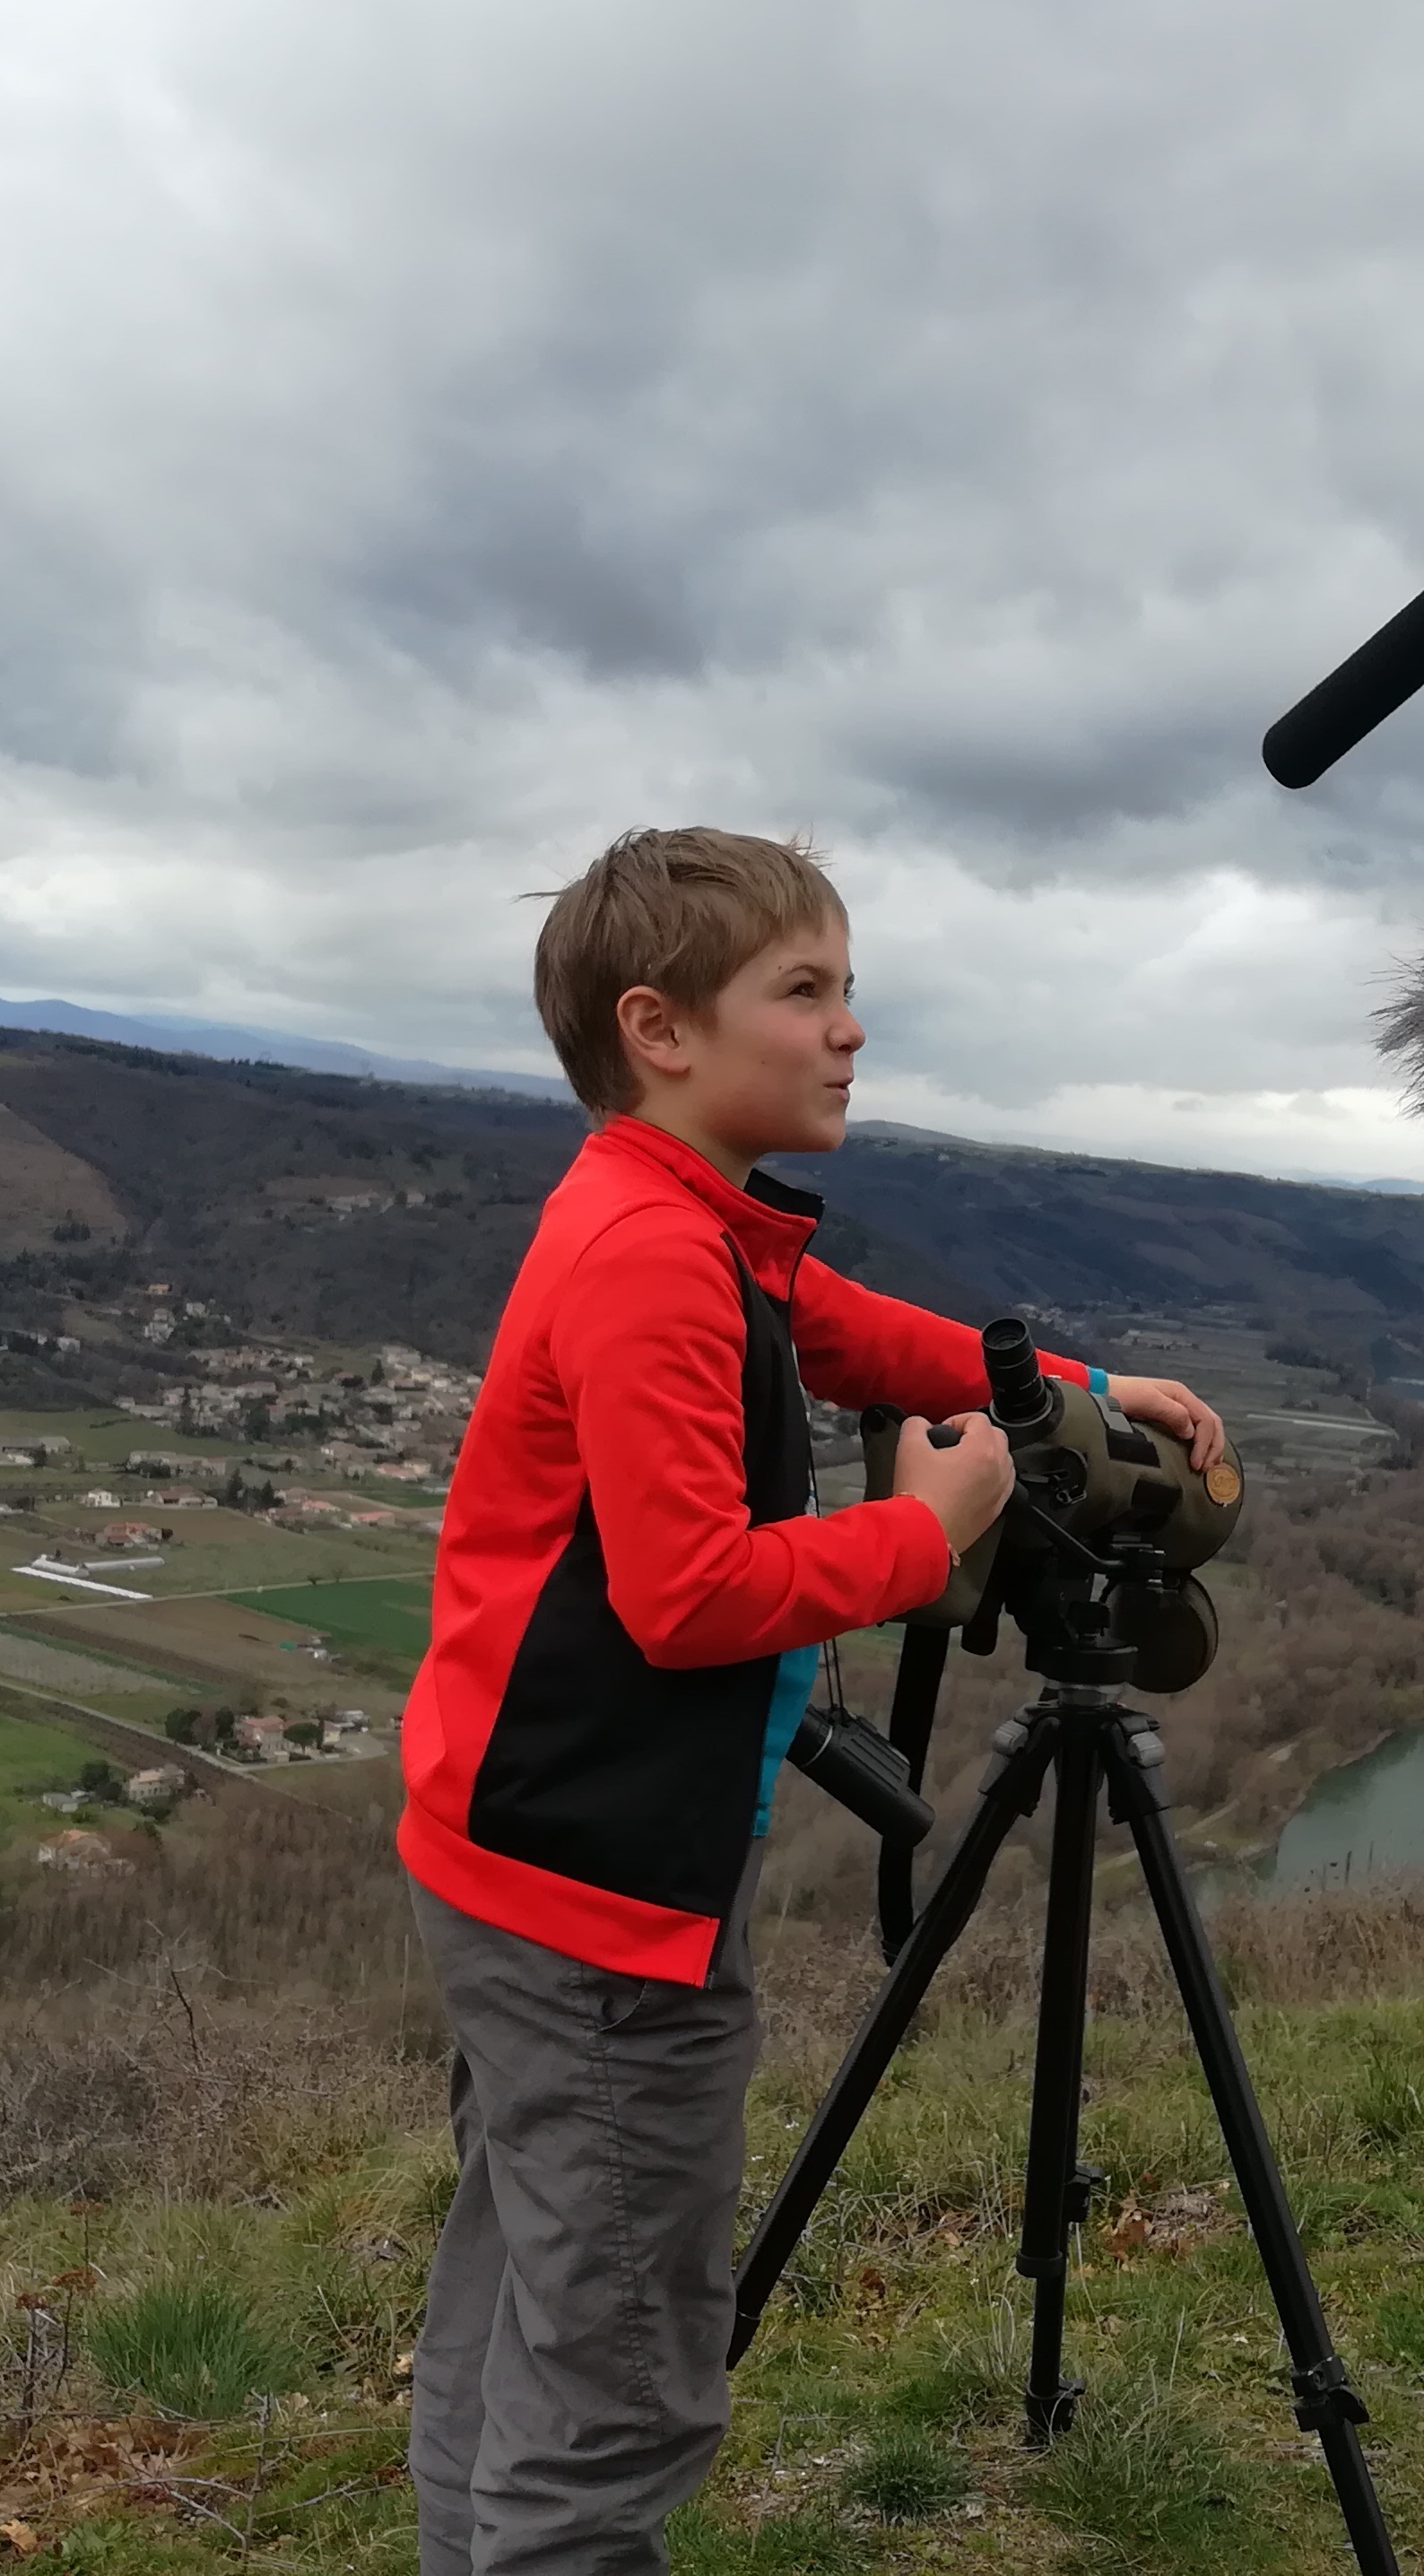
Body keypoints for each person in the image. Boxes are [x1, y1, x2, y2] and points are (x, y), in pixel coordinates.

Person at [397, 826, 1228, 2576]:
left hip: (522, 1854)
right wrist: (928, 1532)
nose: (849, 1028)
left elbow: (842, 1329)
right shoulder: (651, 1253)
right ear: (659, 1029)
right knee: (614, 2393)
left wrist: (1077, 1387)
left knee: (526, 2296)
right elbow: (687, 1595)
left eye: (847, 988)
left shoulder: (682, 1220)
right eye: (804, 991)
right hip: (600, 1906)